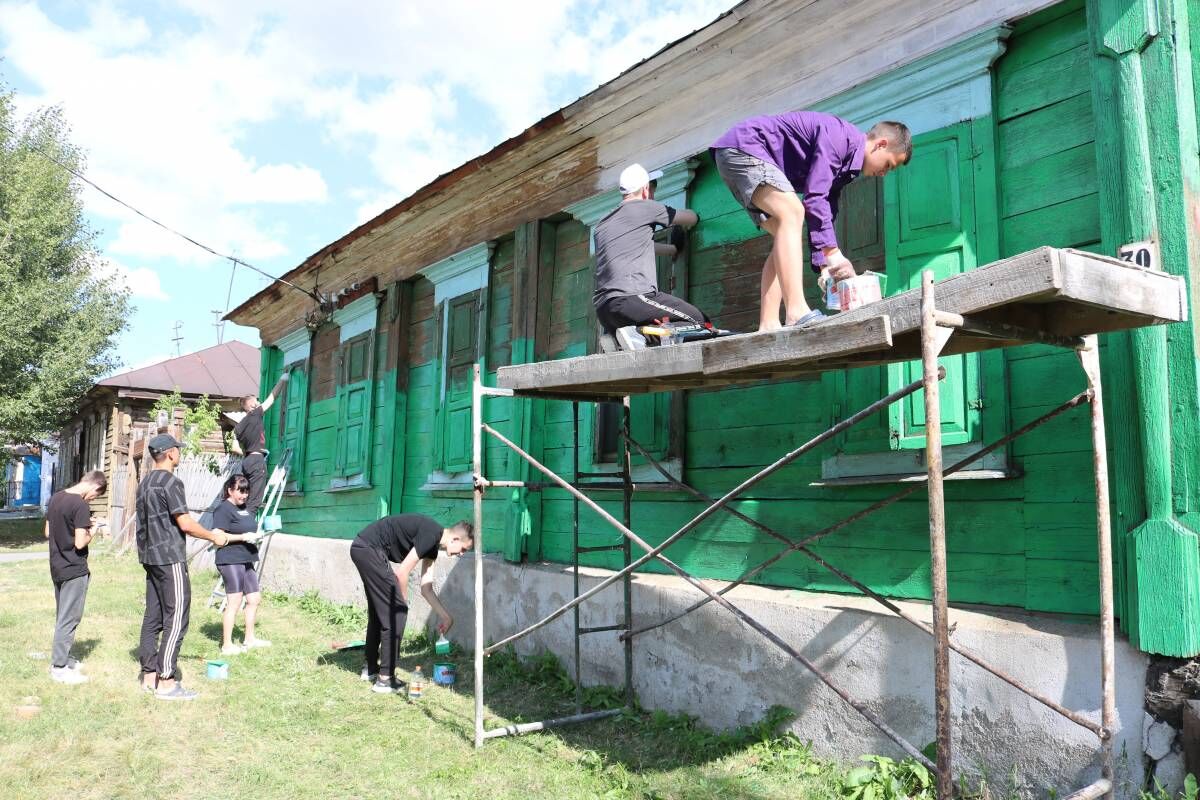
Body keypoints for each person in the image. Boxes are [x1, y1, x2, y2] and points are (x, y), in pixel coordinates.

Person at [711, 113, 911, 330]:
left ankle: (768, 322)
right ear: (881, 144)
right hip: (744, 148)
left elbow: (824, 210)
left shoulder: (848, 167)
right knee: (792, 212)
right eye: (889, 165)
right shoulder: (840, 139)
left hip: (734, 154)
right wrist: (834, 254)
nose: (884, 174)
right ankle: (796, 311)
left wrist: (825, 264)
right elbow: (814, 199)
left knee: (783, 231)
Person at [136, 433, 242, 700]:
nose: (179, 454)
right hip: (169, 556)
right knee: (177, 615)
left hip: (149, 556)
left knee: (153, 616)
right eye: (178, 450)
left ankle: (148, 676)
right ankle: (167, 680)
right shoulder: (171, 482)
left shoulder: (144, 482)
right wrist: (213, 535)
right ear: (170, 453)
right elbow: (185, 523)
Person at [349, 514, 474, 694]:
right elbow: (402, 572)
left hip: (364, 548)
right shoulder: (431, 533)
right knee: (396, 614)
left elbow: (426, 588)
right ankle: (384, 679)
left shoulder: (432, 546)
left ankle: (371, 669)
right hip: (369, 549)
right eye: (463, 549)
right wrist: (401, 603)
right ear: (455, 539)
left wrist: (446, 617)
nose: (461, 554)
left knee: (380, 613)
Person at [593, 162, 706, 350]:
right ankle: (638, 336)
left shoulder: (602, 224)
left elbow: (641, 245)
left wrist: (672, 250)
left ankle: (619, 339)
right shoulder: (645, 207)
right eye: (653, 189)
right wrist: (690, 219)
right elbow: (690, 218)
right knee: (698, 320)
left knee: (652, 327)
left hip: (604, 310)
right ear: (645, 189)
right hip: (631, 298)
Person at [43, 469, 106, 685]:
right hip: (74, 568)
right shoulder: (80, 505)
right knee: (69, 618)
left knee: (63, 615)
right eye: (96, 496)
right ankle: (59, 668)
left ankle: (65, 657)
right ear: (94, 486)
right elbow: (80, 543)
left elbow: (48, 532)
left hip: (57, 566)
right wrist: (94, 530)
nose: (92, 499)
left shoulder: (55, 498)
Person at [212, 474, 270, 655]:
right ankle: (227, 645)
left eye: (246, 492)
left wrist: (256, 536)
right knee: (234, 601)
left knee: (254, 599)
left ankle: (249, 639)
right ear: (230, 490)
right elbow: (217, 537)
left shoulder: (244, 508)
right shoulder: (223, 509)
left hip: (246, 558)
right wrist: (243, 537)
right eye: (240, 491)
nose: (244, 495)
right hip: (230, 559)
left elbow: (247, 528)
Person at [233, 372, 288, 517]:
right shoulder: (255, 413)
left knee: (246, 497)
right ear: (252, 405)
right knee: (254, 502)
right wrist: (283, 379)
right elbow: (272, 398)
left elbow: (234, 447)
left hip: (246, 461)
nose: (259, 402)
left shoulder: (238, 427)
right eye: (257, 401)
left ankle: (239, 523)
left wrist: (250, 452)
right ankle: (245, 530)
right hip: (257, 461)